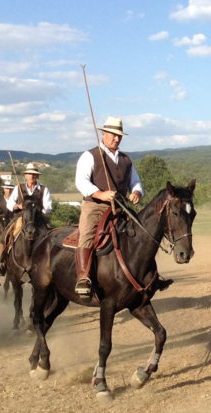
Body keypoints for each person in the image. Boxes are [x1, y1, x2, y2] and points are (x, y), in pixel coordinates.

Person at [74, 116, 143, 298]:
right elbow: (81, 181)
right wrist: (100, 194)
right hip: (95, 206)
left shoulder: (126, 160)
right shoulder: (90, 155)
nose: (116, 138)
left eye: (119, 135)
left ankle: (146, 273)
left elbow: (135, 182)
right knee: (87, 233)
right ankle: (83, 277)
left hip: (120, 207)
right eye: (112, 134)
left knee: (141, 231)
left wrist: (136, 192)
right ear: (103, 134)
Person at [0, 163, 53, 274]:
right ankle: (1, 262)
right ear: (25, 176)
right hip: (21, 218)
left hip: (38, 219)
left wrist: (37, 209)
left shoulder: (43, 189)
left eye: (33, 174)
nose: (31, 176)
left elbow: (48, 207)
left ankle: (51, 264)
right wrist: (18, 206)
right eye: (29, 174)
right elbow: (10, 204)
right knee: (4, 236)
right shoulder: (19, 188)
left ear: (37, 176)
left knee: (50, 238)